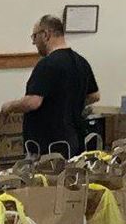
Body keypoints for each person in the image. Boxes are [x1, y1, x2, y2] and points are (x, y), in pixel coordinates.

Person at [7, 16, 100, 158]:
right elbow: (94, 95)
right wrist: (69, 103)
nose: (33, 42)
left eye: (35, 36)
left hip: (48, 146)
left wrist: (10, 106)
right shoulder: (81, 62)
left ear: (46, 34)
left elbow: (33, 102)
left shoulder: (47, 64)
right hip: (74, 141)